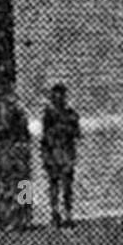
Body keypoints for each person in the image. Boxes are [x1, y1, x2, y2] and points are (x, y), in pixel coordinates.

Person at [41, 83, 80, 227]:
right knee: (54, 184)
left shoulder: (70, 113)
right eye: (55, 96)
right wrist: (46, 155)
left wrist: (66, 127)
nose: (57, 99)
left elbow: (77, 132)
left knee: (67, 186)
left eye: (60, 95)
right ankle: (55, 213)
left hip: (66, 153)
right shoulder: (48, 115)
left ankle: (68, 214)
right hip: (53, 153)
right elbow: (46, 137)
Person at [0, 92, 33, 231]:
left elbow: (25, 137)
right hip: (7, 155)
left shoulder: (20, 118)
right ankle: (8, 219)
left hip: (18, 154)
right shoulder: (1, 120)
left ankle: (24, 218)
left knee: (23, 185)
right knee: (7, 187)